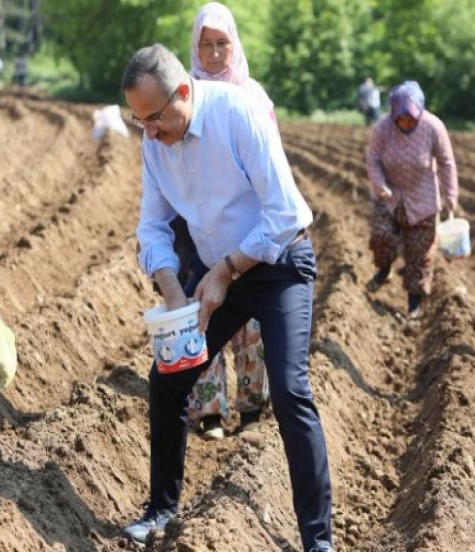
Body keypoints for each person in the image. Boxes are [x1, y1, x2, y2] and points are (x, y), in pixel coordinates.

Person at [122, 44, 333, 552]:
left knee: (288, 391)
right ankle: (161, 510)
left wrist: (226, 269)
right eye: (138, 121)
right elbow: (151, 227)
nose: (149, 132)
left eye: (155, 118)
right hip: (217, 271)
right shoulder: (154, 140)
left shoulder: (237, 114)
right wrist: (173, 289)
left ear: (183, 94)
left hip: (278, 264)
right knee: (168, 379)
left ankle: (318, 541)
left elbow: (284, 213)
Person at [175, 1, 274, 441]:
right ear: (195, 49)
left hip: (246, 226)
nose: (215, 54)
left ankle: (253, 404)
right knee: (203, 312)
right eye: (206, 45)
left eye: (222, 44)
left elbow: (272, 166)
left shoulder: (253, 95)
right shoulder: (184, 95)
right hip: (197, 226)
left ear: (234, 45)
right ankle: (210, 410)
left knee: (251, 319)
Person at [365, 80, 458, 318]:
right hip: (390, 196)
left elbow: (446, 162)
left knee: (420, 254)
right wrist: (380, 185)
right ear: (393, 114)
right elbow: (373, 158)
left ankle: (414, 305)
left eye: (411, 119)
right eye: (401, 119)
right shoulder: (382, 129)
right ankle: (384, 269)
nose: (406, 123)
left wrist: (450, 195)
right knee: (381, 235)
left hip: (423, 198)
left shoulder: (433, 127)